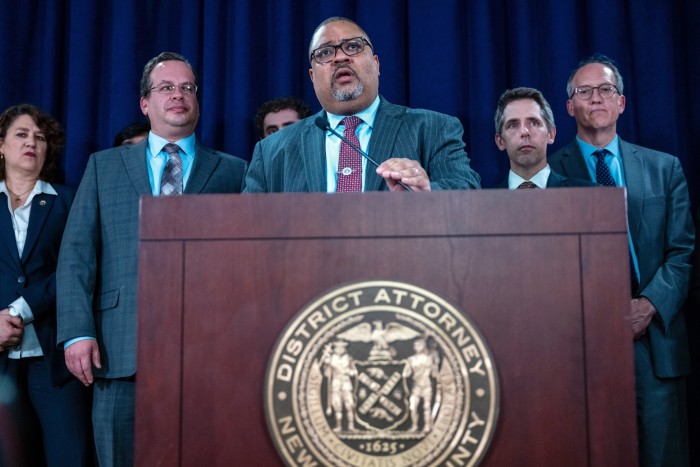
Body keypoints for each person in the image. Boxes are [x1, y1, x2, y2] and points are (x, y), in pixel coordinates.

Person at [56, 51, 248, 467]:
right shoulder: (104, 167)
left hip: (211, 356)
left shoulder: (235, 171)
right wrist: (76, 332)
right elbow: (76, 256)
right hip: (118, 350)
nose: (177, 95)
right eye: (166, 87)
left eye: (187, 88)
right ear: (145, 103)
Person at [548, 54, 695, 466]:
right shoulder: (548, 175)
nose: (596, 98)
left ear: (622, 102)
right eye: (584, 91)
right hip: (580, 345)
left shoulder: (664, 168)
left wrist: (648, 305)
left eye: (606, 89)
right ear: (569, 106)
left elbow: (683, 251)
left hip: (654, 339)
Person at [244, 16, 480, 193]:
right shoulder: (271, 151)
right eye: (325, 53)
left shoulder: (434, 128)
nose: (340, 57)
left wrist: (427, 192)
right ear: (313, 77)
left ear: (376, 64)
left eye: (353, 47)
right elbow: (248, 224)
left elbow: (467, 192)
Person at [0, 104, 92, 466]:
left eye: (40, 137)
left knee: (69, 456)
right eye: (21, 134)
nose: (31, 143)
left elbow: (77, 269)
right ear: (1, 145)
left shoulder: (69, 201)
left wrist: (19, 308)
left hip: (55, 359)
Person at [492, 87, 595, 189]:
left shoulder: (590, 194)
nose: (524, 132)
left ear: (551, 134)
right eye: (513, 125)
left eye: (534, 123)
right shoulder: (485, 202)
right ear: (500, 141)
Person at [402, 338, 439, 432]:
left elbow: (435, 374)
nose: (416, 347)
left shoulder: (430, 358)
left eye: (419, 345)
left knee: (426, 407)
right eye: (415, 345)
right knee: (413, 407)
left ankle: (427, 426)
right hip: (416, 386)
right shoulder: (411, 360)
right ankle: (414, 426)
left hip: (427, 386)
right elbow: (407, 374)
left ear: (423, 346)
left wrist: (435, 364)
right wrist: (406, 368)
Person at [321, 341, 357, 432]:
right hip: (336, 384)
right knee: (337, 405)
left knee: (349, 405)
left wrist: (348, 372)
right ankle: (339, 426)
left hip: (346, 384)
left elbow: (355, 372)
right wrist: (326, 364)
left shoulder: (348, 359)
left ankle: (351, 426)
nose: (340, 350)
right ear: (335, 349)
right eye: (337, 348)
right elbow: (326, 374)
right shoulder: (331, 360)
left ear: (345, 349)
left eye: (342, 348)